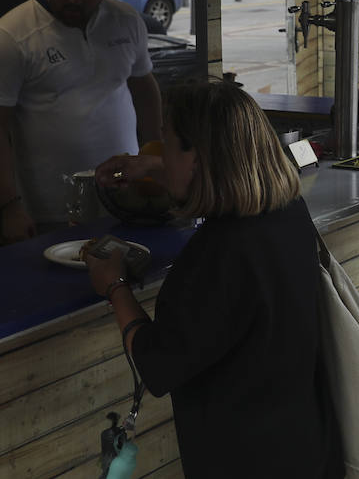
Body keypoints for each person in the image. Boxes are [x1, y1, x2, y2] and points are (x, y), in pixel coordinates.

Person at [86, 79, 342, 478]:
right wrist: (154, 166)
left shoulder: (219, 255)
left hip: (243, 459)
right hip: (303, 443)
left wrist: (115, 286)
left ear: (199, 156)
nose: (161, 154)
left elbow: (158, 365)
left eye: (166, 144)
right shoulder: (288, 210)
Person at [0, 0, 161, 241]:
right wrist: (8, 207)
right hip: (49, 209)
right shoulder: (12, 36)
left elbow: (145, 91)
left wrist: (156, 161)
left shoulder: (126, 21)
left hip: (125, 198)